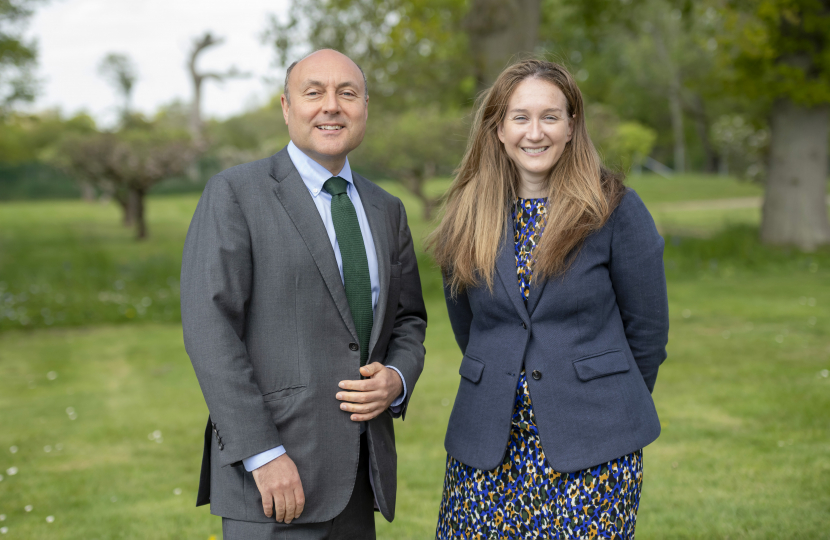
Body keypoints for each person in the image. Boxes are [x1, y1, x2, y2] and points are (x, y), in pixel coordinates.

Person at [180, 48, 427, 540]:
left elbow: (408, 320)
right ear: (286, 107)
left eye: (347, 93)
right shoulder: (236, 194)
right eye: (313, 93)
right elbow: (211, 330)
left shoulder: (386, 209)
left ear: (365, 107)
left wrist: (397, 377)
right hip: (273, 481)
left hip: (361, 477)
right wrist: (263, 455)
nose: (331, 106)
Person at [428, 59, 669, 539]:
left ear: (571, 125)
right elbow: (468, 325)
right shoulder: (466, 214)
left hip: (595, 446)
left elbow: (648, 331)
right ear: (498, 128)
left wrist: (600, 399)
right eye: (520, 117)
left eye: (550, 117)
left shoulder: (614, 208)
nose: (534, 133)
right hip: (487, 443)